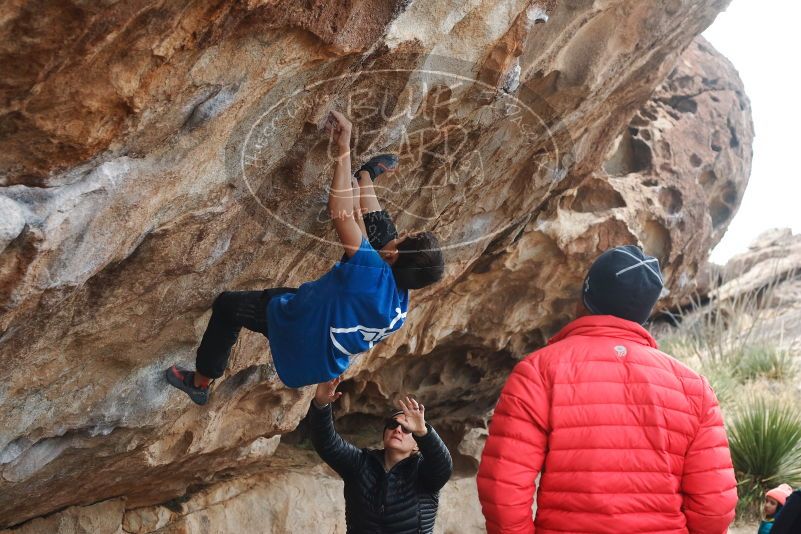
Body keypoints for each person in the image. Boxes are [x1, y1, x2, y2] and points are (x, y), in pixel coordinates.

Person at [166, 111, 444, 404]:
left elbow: (340, 213)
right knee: (370, 243)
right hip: (323, 353)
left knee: (227, 306)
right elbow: (365, 245)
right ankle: (365, 179)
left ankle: (200, 382)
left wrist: (343, 148)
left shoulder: (371, 270)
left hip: (298, 333)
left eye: (402, 240)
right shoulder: (399, 303)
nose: (400, 235)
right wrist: (353, 196)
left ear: (392, 255)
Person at [477, 245, 738, 533]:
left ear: (585, 297)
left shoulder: (537, 372)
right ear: (646, 312)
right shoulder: (693, 388)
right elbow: (715, 507)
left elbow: (504, 488)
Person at [309, 377, 453, 533]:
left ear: (417, 445)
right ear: (384, 433)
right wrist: (321, 405)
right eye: (393, 425)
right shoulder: (360, 463)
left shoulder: (424, 473)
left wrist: (423, 432)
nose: (398, 430)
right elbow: (327, 444)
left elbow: (443, 467)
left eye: (407, 429)